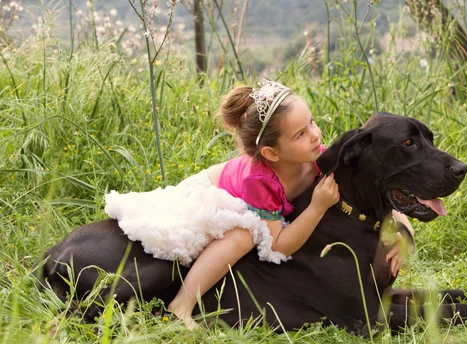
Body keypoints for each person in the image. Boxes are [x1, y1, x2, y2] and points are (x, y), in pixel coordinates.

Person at [105, 80, 412, 330]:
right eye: (301, 133)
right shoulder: (260, 182)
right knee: (243, 236)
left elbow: (365, 186)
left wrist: (399, 226)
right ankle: (182, 306)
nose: (316, 135)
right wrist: (317, 207)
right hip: (208, 200)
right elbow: (277, 246)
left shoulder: (312, 155)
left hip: (246, 203)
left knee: (249, 231)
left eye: (312, 122)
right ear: (272, 153)